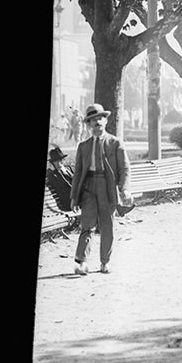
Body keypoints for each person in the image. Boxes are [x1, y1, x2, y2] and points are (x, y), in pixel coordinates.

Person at [69, 104, 132, 276]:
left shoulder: (115, 143)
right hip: (89, 187)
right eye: (92, 120)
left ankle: (105, 262)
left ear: (106, 121)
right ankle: (82, 262)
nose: (97, 121)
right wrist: (74, 197)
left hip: (107, 187)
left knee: (107, 226)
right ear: (88, 124)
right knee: (87, 225)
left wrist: (125, 189)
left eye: (100, 118)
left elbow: (125, 168)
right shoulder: (83, 146)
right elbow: (78, 173)